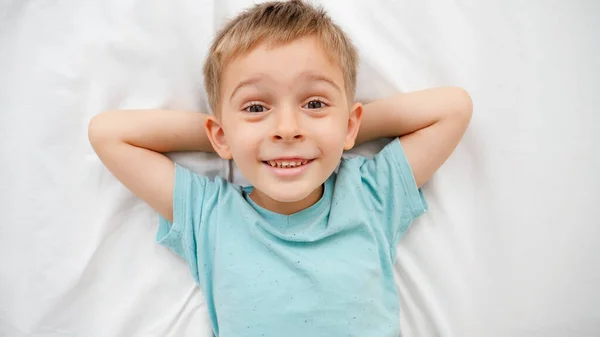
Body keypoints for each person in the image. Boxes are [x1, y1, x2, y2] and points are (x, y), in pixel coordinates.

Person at [88, 1, 472, 336]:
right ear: (219, 136)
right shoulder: (209, 216)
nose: (288, 129)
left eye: (315, 103)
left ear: (351, 124)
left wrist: (334, 132)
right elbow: (108, 134)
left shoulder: (372, 195)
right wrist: (236, 138)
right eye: (256, 108)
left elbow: (452, 108)